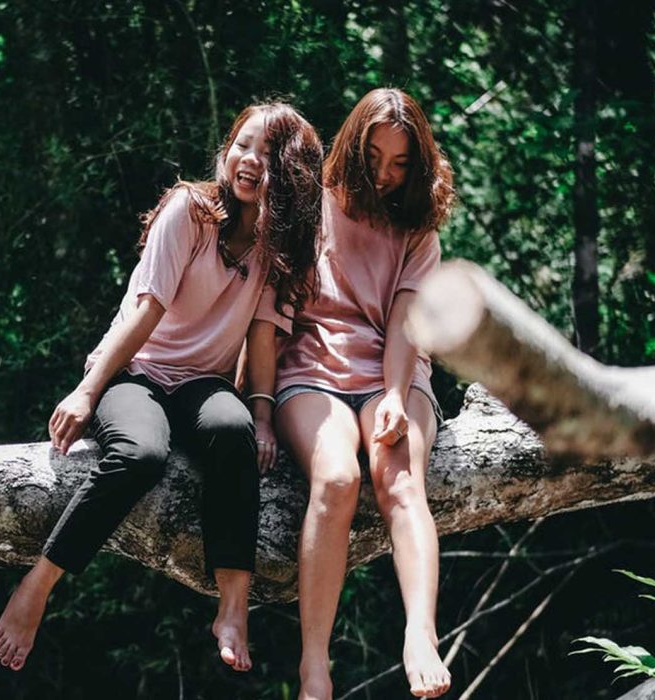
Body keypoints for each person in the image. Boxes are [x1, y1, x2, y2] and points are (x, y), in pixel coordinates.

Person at [0, 102, 324, 673]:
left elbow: (262, 337)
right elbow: (146, 312)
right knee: (141, 453)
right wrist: (87, 391)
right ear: (226, 151)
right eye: (243, 145)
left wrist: (265, 416)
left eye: (269, 155)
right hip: (136, 372)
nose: (250, 161)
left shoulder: (275, 247)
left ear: (291, 173)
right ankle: (38, 584)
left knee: (234, 430)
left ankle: (233, 609)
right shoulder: (189, 211)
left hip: (203, 385)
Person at [274, 88, 457, 700]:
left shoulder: (417, 229)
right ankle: (314, 664)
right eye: (374, 157)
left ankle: (421, 635)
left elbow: (405, 324)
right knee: (336, 479)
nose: (384, 174)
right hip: (313, 371)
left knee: (399, 481)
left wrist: (397, 397)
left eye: (400, 163)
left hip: (392, 372)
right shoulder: (311, 205)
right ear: (352, 147)